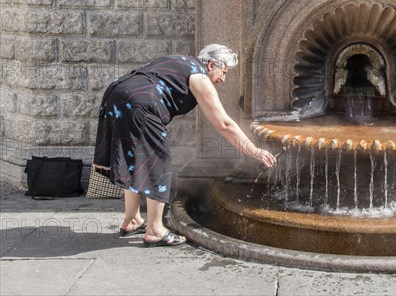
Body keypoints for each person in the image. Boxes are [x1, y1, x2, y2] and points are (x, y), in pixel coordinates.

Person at [92, 44, 276, 247]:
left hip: (117, 94)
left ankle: (132, 219)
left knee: (135, 158)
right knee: (157, 163)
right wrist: (253, 150)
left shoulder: (180, 61)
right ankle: (155, 230)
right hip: (142, 104)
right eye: (223, 72)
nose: (223, 79)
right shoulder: (200, 76)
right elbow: (224, 124)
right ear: (211, 64)